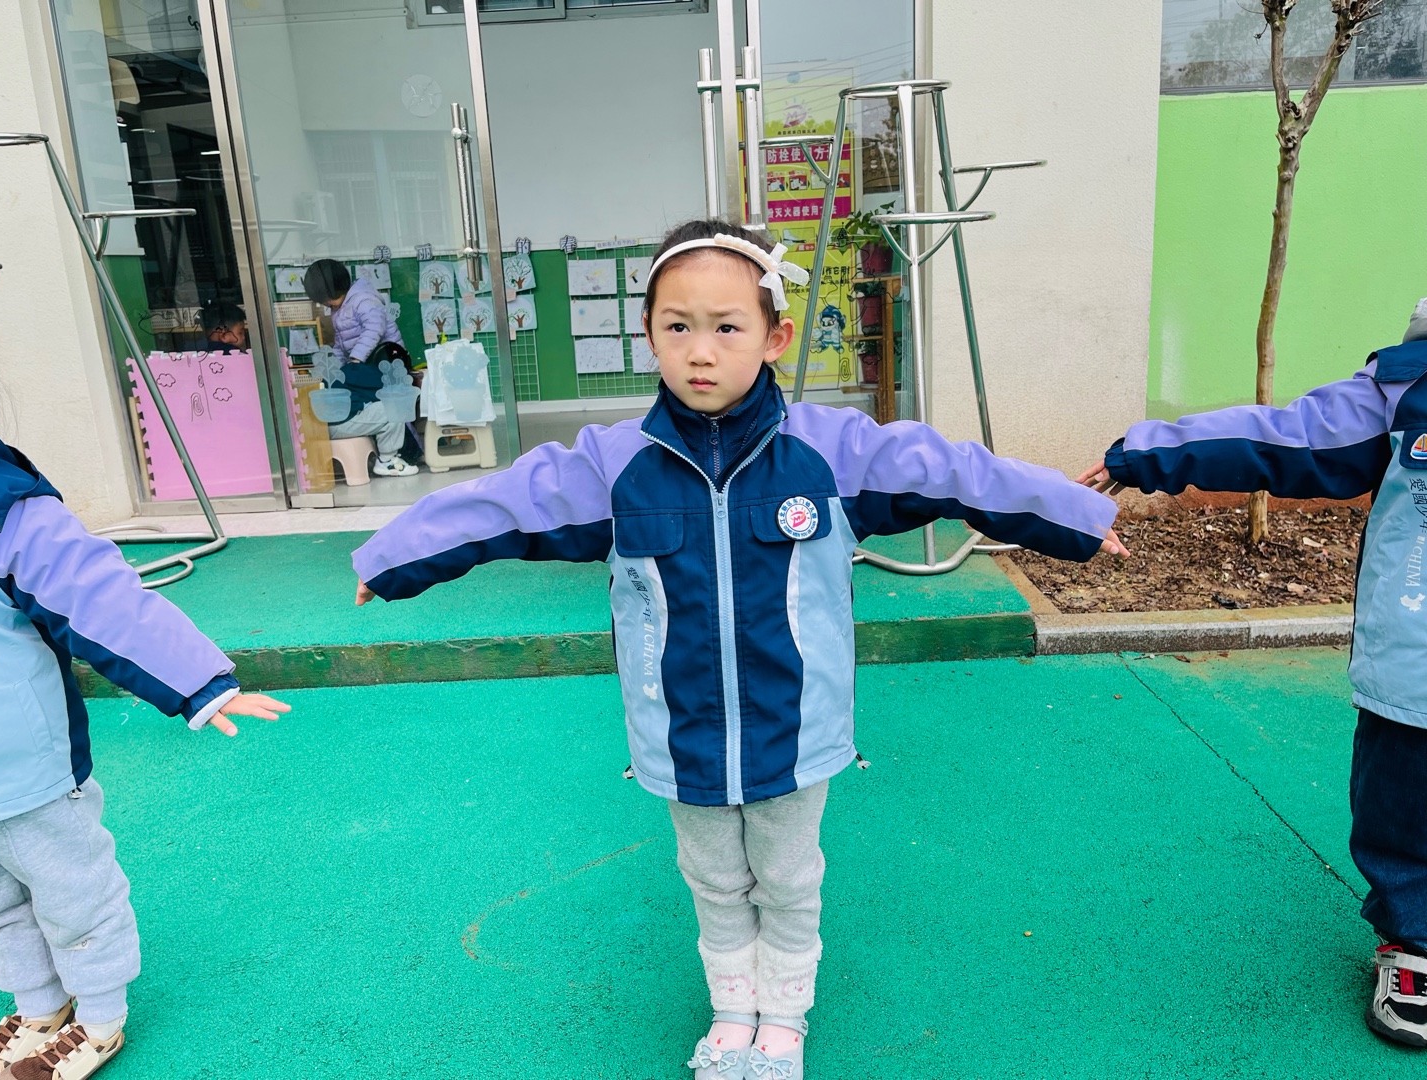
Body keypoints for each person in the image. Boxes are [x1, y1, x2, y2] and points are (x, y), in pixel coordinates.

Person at [350, 219, 1126, 1079]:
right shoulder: (615, 466)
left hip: (796, 732)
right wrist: (394, 556)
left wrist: (1076, 516)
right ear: (649, 336)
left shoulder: (830, 454)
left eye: (727, 326)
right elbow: (507, 502)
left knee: (788, 878)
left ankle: (783, 1019)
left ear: (775, 336)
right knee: (714, 880)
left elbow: (949, 469)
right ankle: (731, 1013)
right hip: (679, 734)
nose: (701, 350)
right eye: (677, 326)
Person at [1077, 297, 1427, 1050]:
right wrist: (1147, 453)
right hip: (1418, 660)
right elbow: (1286, 437)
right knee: (1404, 801)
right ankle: (1416, 940)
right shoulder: (1408, 388)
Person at [0, 431, 290, 1080]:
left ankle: (99, 1019)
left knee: (73, 893)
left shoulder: (2, 508)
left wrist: (200, 684)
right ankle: (39, 1006)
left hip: (27, 771)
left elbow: (102, 601)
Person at [302, 259, 418, 478]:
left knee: (393, 406)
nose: (327, 304)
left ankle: (395, 455)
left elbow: (374, 329)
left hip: (385, 363)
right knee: (366, 400)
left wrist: (355, 359)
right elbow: (340, 344)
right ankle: (388, 455)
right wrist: (336, 369)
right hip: (363, 365)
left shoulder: (363, 299)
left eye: (327, 299)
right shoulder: (339, 308)